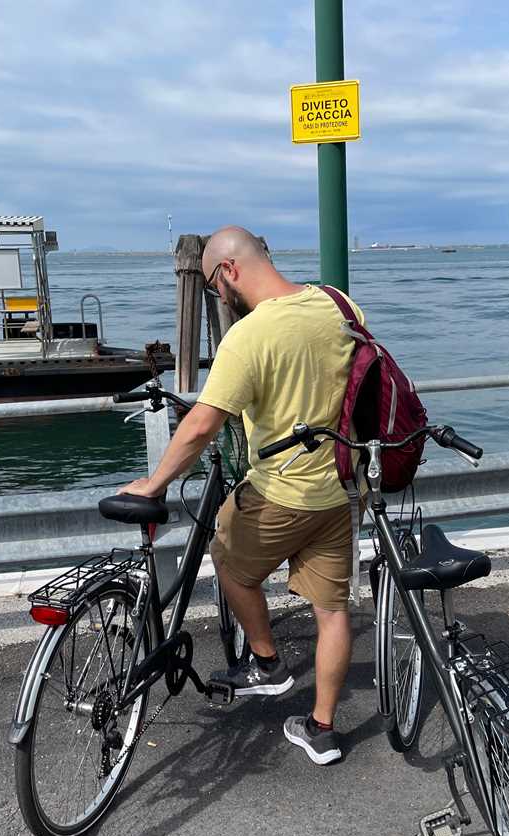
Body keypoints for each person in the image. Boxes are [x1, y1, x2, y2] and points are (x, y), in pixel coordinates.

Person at [116, 225, 363, 765]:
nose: (216, 295)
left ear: (228, 271)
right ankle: (321, 730)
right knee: (332, 612)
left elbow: (204, 423)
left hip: (280, 492)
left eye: (211, 284)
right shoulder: (338, 306)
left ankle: (267, 662)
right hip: (335, 491)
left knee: (227, 558)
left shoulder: (248, 337)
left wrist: (154, 482)